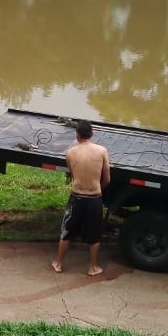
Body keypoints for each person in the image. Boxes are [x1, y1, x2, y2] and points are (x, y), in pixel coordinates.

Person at [52, 119, 110, 277]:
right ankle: (92, 267)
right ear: (92, 134)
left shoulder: (70, 152)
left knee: (67, 231)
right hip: (94, 197)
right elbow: (107, 179)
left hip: (76, 197)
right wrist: (99, 190)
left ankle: (58, 264)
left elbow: (72, 174)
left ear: (77, 135)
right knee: (94, 235)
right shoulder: (102, 151)